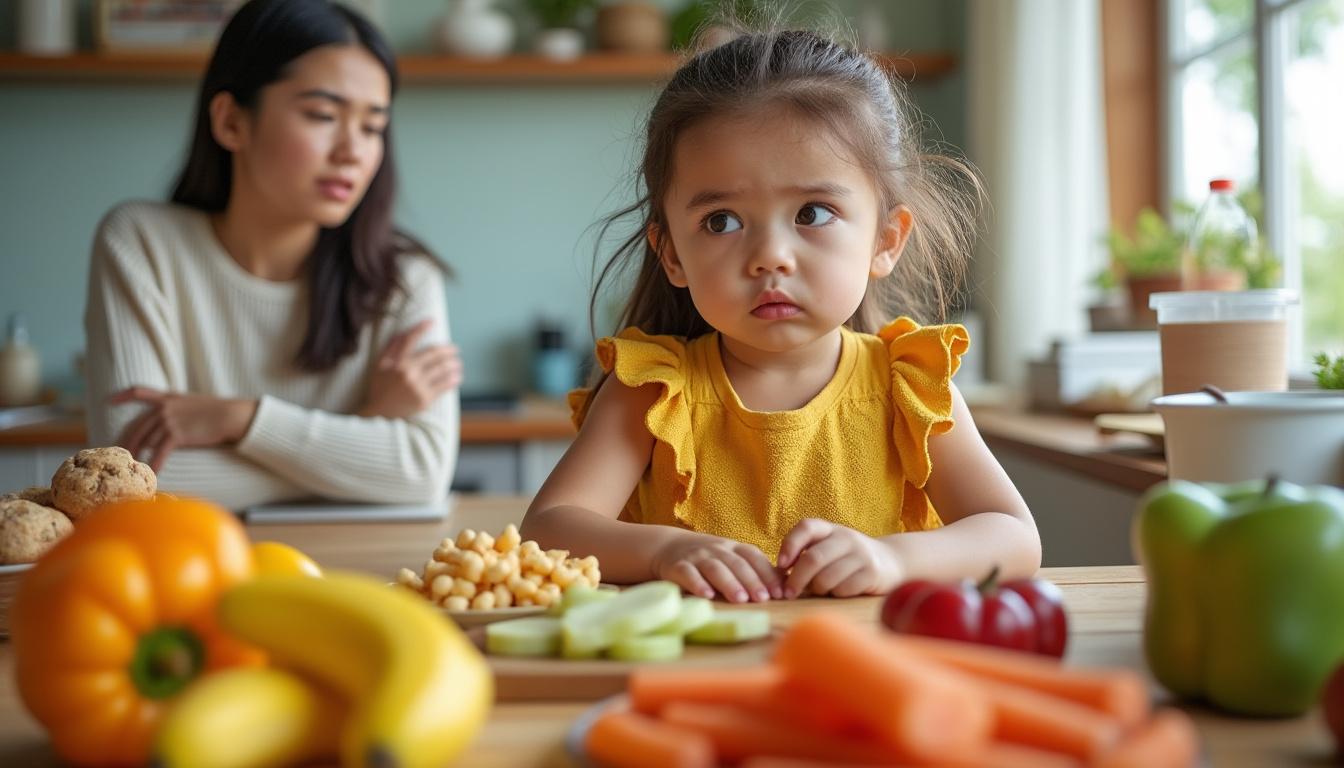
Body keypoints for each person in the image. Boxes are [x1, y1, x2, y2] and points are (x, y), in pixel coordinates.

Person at [521, 28, 1041, 603]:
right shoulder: (651, 392)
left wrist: (892, 558)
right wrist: (663, 550)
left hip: (873, 677)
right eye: (721, 221)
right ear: (672, 254)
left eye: (812, 212)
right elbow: (547, 532)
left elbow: (1014, 537)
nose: (770, 257)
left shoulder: (909, 386)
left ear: (885, 239)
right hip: (699, 679)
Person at [84, 0, 461, 511]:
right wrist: (368, 433)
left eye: (372, 127)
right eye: (323, 115)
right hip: (191, 569)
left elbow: (423, 474)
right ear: (231, 122)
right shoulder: (141, 243)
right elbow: (135, 483)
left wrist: (241, 419)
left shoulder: (404, 277)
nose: (353, 150)